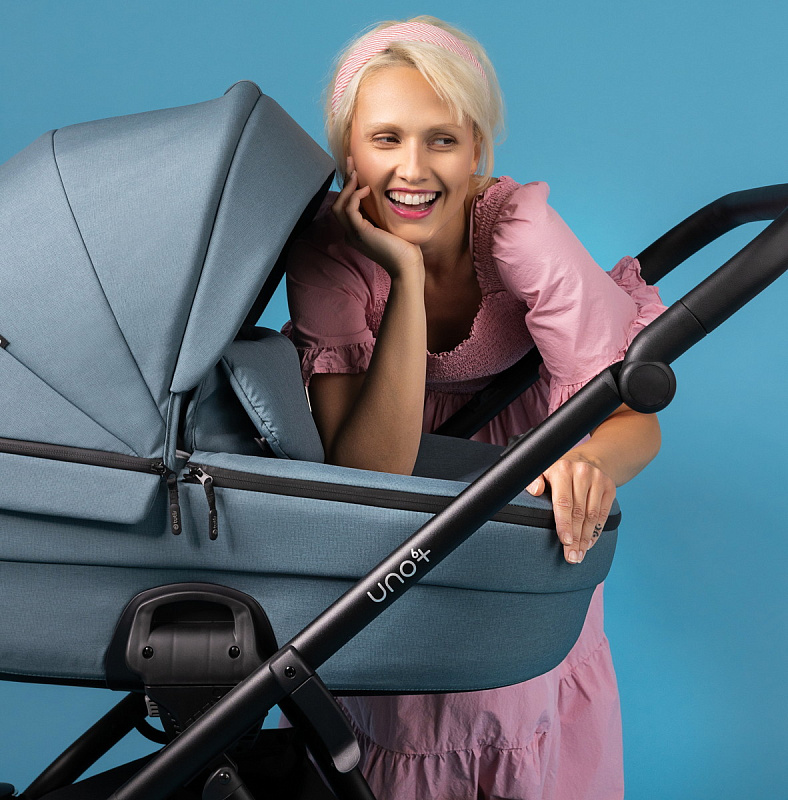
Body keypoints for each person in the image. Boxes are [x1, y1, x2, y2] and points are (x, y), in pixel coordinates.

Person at [283, 15, 666, 800]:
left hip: (520, 483)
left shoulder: (519, 233)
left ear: (477, 151)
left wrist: (590, 461)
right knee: (399, 716)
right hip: (393, 504)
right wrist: (403, 275)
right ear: (348, 153)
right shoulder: (329, 255)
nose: (412, 168)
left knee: (511, 704)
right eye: (385, 139)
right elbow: (372, 467)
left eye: (442, 140)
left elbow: (634, 416)